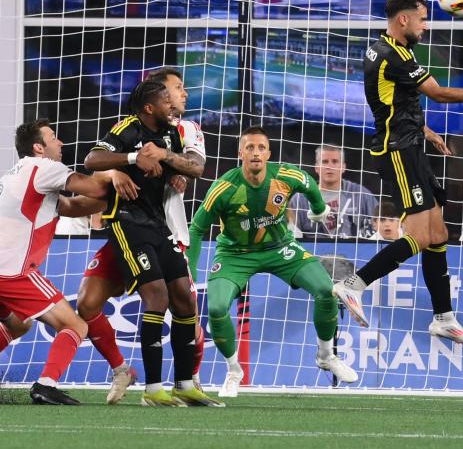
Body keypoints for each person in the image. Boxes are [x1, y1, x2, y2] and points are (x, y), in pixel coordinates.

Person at [332, 0, 463, 345]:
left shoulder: (384, 49)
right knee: (418, 236)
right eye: (422, 19)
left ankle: (444, 318)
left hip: (411, 145)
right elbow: (439, 93)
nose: (425, 27)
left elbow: (393, 106)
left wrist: (427, 132)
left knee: (438, 235)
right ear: (403, 19)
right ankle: (353, 284)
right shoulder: (393, 55)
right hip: (397, 153)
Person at [187, 126, 357, 396]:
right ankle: (233, 371)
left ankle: (326, 356)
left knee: (326, 290)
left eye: (261, 148)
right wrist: (190, 273)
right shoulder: (224, 188)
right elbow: (196, 229)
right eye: (250, 147)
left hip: (280, 249)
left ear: (269, 153)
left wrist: (318, 209)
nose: (256, 153)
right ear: (240, 152)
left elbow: (309, 184)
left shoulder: (286, 175)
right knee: (217, 308)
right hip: (235, 254)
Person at [85, 79, 221, 407]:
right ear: (149, 107)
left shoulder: (173, 133)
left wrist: (175, 167)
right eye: (166, 98)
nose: (173, 104)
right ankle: (152, 389)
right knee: (155, 296)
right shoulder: (128, 128)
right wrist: (129, 161)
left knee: (186, 301)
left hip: (161, 226)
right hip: (127, 225)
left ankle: (186, 383)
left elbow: (195, 167)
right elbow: (92, 160)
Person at [0, 119, 109, 404]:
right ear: (39, 147)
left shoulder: (17, 174)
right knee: (75, 326)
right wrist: (117, 173)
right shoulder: (45, 168)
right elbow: (95, 190)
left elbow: (73, 206)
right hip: (13, 272)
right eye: (53, 137)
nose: (60, 142)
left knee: (19, 324)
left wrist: (115, 202)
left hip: (3, 268)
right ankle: (46, 385)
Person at [289, 144, 378, 238]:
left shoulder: (362, 195)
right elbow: (291, 235)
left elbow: (378, 231)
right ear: (316, 167)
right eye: (325, 162)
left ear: (343, 167)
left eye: (335, 161)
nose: (330, 166)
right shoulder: (300, 199)